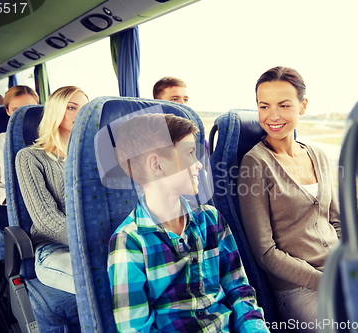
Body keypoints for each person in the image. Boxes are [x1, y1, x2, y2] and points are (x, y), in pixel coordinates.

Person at [108, 113, 268, 333]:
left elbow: (240, 289)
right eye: (190, 154)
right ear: (156, 165)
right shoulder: (130, 241)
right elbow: (135, 329)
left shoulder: (211, 220)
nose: (198, 166)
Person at [238, 66, 341, 332]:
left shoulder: (317, 154)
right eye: (264, 106)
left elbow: (336, 222)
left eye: (283, 105)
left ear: (302, 106)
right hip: (297, 289)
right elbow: (265, 252)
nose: (272, 116)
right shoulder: (255, 163)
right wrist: (325, 281)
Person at [15, 86, 88, 294]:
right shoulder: (30, 157)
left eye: (84, 109)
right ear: (55, 112)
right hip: (54, 249)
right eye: (72, 107)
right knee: (107, 285)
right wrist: (90, 240)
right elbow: (46, 220)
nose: (80, 114)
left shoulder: (95, 155)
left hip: (103, 244)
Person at [0, 86, 39, 227]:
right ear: (7, 111)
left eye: (28, 108)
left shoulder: (51, 138)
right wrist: (12, 199)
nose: (22, 114)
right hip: (13, 207)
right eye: (16, 110)